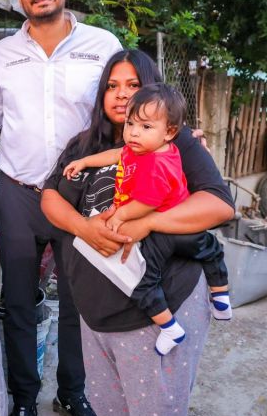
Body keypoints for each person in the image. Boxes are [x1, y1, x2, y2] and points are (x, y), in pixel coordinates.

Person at [41, 49, 234, 416]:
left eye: (133, 85)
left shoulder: (176, 144)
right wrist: (84, 228)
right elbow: (50, 197)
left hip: (156, 309)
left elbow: (218, 204)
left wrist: (147, 222)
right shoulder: (84, 144)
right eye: (112, 85)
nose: (122, 95)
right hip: (96, 315)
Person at [0, 0, 121, 416]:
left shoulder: (102, 46)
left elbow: (124, 109)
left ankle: (72, 393)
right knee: (19, 302)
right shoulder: (6, 53)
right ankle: (23, 402)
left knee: (78, 302)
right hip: (19, 192)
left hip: (80, 198)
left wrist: (173, 140)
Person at [62, 82, 231, 357]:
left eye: (145, 126)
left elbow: (148, 202)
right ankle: (221, 297)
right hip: (183, 229)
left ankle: (169, 327)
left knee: (142, 283)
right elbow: (117, 155)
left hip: (163, 235)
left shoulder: (155, 163)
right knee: (210, 249)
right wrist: (86, 161)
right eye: (130, 124)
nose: (134, 133)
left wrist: (120, 215)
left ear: (170, 132)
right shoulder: (147, 149)